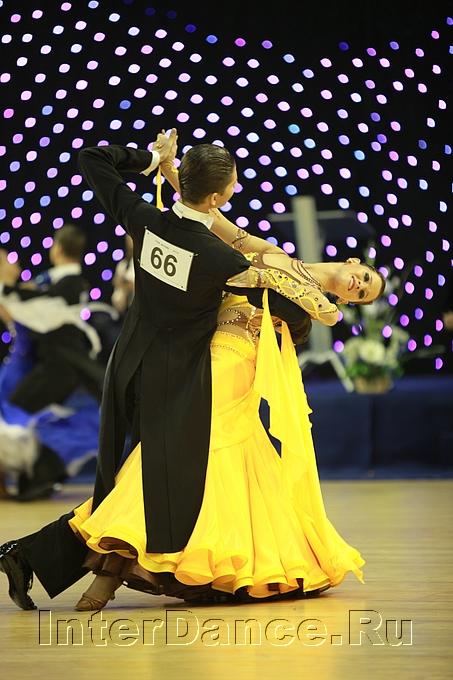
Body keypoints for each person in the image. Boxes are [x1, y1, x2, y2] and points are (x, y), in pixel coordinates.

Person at [0, 131, 321, 610]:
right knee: (153, 482)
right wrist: (304, 315)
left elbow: (92, 157)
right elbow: (287, 310)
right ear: (215, 198)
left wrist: (150, 160)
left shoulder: (144, 219)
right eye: (232, 186)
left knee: (134, 478)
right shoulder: (220, 257)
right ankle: (122, 576)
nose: (233, 191)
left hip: (128, 365)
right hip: (179, 379)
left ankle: (35, 559)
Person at [63, 143, 384, 609]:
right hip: (207, 351)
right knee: (196, 453)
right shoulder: (270, 252)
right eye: (365, 278)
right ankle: (133, 562)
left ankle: (113, 571)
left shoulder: (326, 308)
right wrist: (171, 170)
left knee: (184, 448)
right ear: (355, 264)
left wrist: (269, 278)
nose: (359, 287)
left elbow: (303, 301)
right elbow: (207, 215)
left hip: (238, 364)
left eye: (364, 295)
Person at [0, 226, 107, 500]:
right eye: (7, 261)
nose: (15, 264)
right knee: (14, 420)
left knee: (15, 420)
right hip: (25, 365)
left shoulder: (41, 290)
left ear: (57, 249)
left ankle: (37, 476)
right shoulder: (28, 292)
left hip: (36, 366)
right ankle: (29, 478)